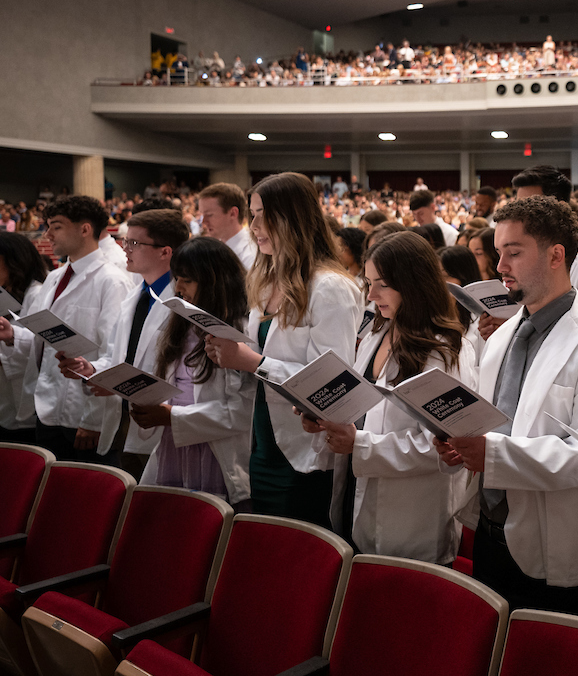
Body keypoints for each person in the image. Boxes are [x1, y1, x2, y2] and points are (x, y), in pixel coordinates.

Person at [434, 195, 578, 617]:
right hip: (494, 530)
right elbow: (492, 421)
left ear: (556, 255)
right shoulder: (505, 335)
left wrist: (491, 452)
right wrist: (461, 444)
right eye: (498, 254)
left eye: (514, 253)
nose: (500, 266)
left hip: (559, 548)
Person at [305, 233, 477, 561]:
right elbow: (360, 406)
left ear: (412, 283)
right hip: (358, 491)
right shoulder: (377, 333)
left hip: (411, 517)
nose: (370, 294)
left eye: (381, 284)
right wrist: (324, 417)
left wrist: (360, 444)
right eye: (368, 283)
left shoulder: (444, 351)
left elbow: (442, 448)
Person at [206, 172, 362, 526]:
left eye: (264, 214)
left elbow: (333, 384)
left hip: (306, 451)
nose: (254, 225)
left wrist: (254, 362)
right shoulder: (266, 282)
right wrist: (228, 356)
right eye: (253, 213)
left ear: (292, 218)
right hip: (263, 442)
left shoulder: (330, 287)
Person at [57, 209, 190, 479]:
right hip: (124, 418)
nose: (125, 248)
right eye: (125, 241)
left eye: (134, 243)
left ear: (165, 252)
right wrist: (92, 368)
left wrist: (120, 383)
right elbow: (120, 355)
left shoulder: (184, 302)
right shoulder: (136, 294)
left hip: (162, 420)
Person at [0, 197, 130, 463]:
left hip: (81, 411)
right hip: (47, 406)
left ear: (85, 229)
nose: (47, 234)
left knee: (86, 492)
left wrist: (93, 419)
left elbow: (114, 354)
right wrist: (13, 335)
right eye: (48, 226)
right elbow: (42, 341)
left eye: (56, 226)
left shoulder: (111, 280)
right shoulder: (55, 277)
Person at [131, 238, 254, 507]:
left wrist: (173, 416)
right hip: (173, 445)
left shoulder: (240, 331)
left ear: (213, 281)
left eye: (187, 280)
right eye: (177, 278)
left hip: (216, 455)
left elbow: (243, 411)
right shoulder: (179, 324)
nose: (178, 288)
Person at [508, 167, 578, 330]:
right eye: (519, 206)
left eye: (530, 206)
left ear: (559, 207)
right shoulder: (526, 260)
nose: (521, 215)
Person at [0, 233, 48, 443]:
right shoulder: (5, 291)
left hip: (28, 398)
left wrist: (12, 336)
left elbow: (45, 345)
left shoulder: (39, 294)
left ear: (15, 262)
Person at [198, 183, 256, 269]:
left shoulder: (250, 256)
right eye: (203, 215)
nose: (204, 221)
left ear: (232, 213)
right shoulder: (213, 249)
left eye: (210, 215)